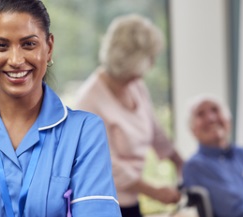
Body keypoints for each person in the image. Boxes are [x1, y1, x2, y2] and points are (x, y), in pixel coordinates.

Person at [0, 0, 121, 216]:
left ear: (49, 47)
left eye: (28, 44)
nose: (15, 60)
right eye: (1, 46)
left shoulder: (84, 132)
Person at [75, 14, 182, 217]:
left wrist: (177, 160)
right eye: (150, 57)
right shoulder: (89, 101)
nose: (152, 63)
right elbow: (107, 164)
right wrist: (155, 191)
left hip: (130, 200)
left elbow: (154, 130)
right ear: (136, 60)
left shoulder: (136, 86)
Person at [183, 94, 243, 217]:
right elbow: (234, 212)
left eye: (215, 110)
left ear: (229, 120)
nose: (211, 118)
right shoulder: (195, 166)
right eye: (200, 114)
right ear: (193, 129)